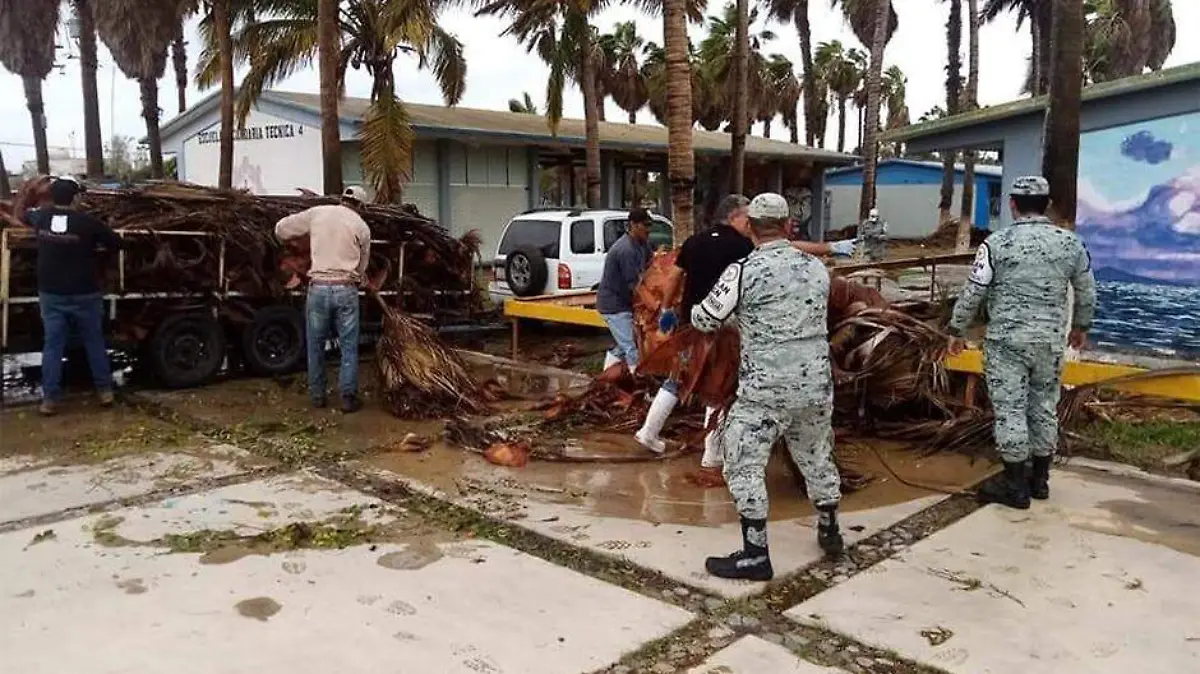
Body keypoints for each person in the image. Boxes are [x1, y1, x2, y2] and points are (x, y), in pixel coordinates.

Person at [691, 192, 843, 581]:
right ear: (789, 225)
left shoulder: (742, 269)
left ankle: (755, 553)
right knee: (816, 453)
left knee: (741, 459)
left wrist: (730, 319)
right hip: (815, 383)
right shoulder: (816, 268)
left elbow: (706, 319)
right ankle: (829, 528)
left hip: (766, 389)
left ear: (752, 228)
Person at [638, 196, 856, 458]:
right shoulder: (742, 245)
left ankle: (648, 433)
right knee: (719, 388)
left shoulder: (695, 241)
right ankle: (713, 455)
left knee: (677, 380)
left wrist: (666, 310)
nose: (751, 223)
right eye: (747, 217)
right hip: (723, 330)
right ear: (733, 217)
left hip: (691, 328)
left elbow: (674, 275)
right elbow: (787, 248)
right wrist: (830, 247)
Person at [948, 175, 1096, 509]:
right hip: (1050, 341)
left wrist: (956, 329)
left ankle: (1015, 486)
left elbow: (975, 291)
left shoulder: (996, 244)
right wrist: (1081, 327)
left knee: (1010, 410)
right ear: (1046, 205)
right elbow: (1087, 290)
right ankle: (1040, 481)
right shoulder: (1071, 243)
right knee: (1044, 405)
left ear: (1013, 205)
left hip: (1007, 343)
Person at [25, 176, 122, 416]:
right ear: (76, 198)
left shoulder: (41, 219)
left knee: (53, 346)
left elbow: (24, 214)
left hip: (51, 294)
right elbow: (117, 243)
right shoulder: (88, 223)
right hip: (84, 293)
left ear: (52, 198)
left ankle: (49, 400)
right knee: (93, 342)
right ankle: (104, 391)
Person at [275, 186, 372, 413]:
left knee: (315, 344)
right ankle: (348, 398)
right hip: (345, 289)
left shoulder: (318, 213)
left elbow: (281, 228)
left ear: (342, 200)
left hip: (317, 289)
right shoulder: (362, 227)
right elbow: (362, 266)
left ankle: (317, 396)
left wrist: (290, 240)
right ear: (360, 206)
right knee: (348, 347)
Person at [597, 208, 655, 374]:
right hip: (614, 305)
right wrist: (654, 306)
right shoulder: (625, 250)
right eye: (645, 225)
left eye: (649, 225)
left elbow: (652, 266)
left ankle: (605, 375)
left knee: (627, 344)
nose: (648, 229)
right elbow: (636, 286)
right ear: (633, 225)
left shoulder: (643, 244)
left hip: (625, 302)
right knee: (631, 347)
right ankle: (639, 381)